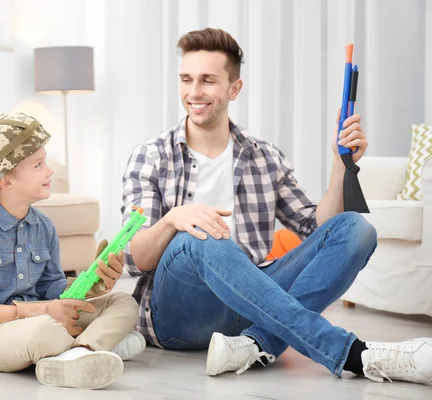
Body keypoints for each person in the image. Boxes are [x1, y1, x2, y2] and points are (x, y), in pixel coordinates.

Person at [121, 28, 432, 384]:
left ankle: (257, 344)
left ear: (233, 89)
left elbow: (318, 230)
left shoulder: (263, 156)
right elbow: (137, 259)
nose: (194, 92)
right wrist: (174, 220)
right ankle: (355, 354)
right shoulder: (151, 156)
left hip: (252, 306)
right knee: (199, 234)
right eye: (186, 79)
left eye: (207, 80)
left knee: (356, 230)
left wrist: (339, 162)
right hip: (181, 315)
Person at [0, 112, 145, 390]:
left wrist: (94, 286)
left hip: (43, 321)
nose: (49, 170)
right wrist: (41, 311)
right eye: (38, 165)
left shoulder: (43, 227)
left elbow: (51, 289)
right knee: (46, 331)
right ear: (5, 180)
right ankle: (96, 345)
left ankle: (81, 353)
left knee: (123, 302)